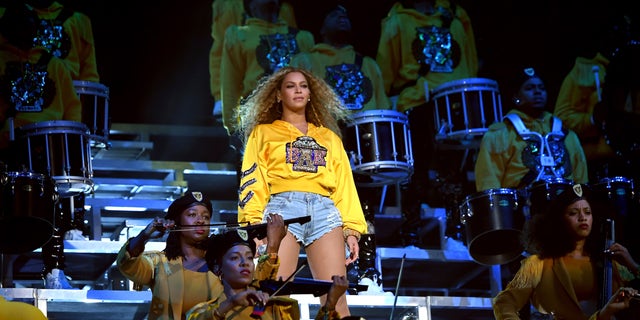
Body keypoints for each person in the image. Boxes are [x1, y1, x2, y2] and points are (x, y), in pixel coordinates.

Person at [235, 66, 367, 316]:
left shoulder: (329, 137)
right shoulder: (263, 133)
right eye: (290, 85)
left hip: (326, 213)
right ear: (277, 95)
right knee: (274, 294)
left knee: (336, 297)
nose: (298, 90)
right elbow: (252, 180)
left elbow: (344, 185)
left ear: (310, 94)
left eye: (303, 86)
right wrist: (254, 225)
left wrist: (351, 229)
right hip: (282, 213)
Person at [289, 4, 391, 291]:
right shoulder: (305, 59)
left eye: (347, 13)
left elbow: (380, 110)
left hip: (360, 149)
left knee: (362, 210)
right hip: (319, 149)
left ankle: (367, 270)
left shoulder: (368, 64)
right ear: (320, 26)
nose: (343, 15)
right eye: (334, 12)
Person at [375, 0, 479, 245]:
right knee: (415, 168)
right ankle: (411, 230)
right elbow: (386, 69)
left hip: (453, 101)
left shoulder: (455, 14)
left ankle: (456, 230)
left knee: (454, 170)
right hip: (416, 100)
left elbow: (469, 62)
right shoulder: (398, 20)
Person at [493, 183, 640, 319]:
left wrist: (633, 265)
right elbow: (504, 302)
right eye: (573, 213)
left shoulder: (608, 262)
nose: (583, 218)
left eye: (588, 212)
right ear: (559, 221)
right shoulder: (536, 264)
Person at [186, 214, 348, 320]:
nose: (245, 262)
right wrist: (231, 303)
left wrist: (330, 305)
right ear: (217, 268)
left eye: (249, 257)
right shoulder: (201, 311)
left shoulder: (280, 307)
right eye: (235, 258)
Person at [475, 66, 589, 192]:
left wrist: (579, 202)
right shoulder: (499, 135)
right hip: (521, 207)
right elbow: (489, 182)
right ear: (516, 97)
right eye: (529, 88)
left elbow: (581, 180)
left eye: (541, 88)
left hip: (566, 206)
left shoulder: (567, 135)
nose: (537, 92)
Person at [116, 191, 219, 319]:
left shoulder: (221, 264)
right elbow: (127, 264)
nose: (200, 221)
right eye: (192, 214)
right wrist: (144, 236)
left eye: (206, 217)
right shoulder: (159, 262)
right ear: (177, 222)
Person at [219, 0, 314, 137]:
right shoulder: (238, 35)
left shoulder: (302, 37)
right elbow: (230, 83)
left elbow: (313, 83)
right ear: (251, 4)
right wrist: (232, 127)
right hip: (257, 116)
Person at [209, 0, 297, 118]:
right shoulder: (229, 6)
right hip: (250, 93)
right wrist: (220, 97)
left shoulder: (283, 9)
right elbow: (220, 52)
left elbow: (295, 48)